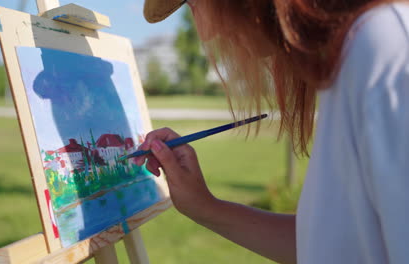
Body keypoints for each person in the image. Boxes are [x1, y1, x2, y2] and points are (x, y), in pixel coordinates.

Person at [137, 0, 409, 263]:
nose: (207, 32)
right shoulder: (357, 58)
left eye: (197, 2)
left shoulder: (385, 50)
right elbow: (334, 244)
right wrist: (206, 208)